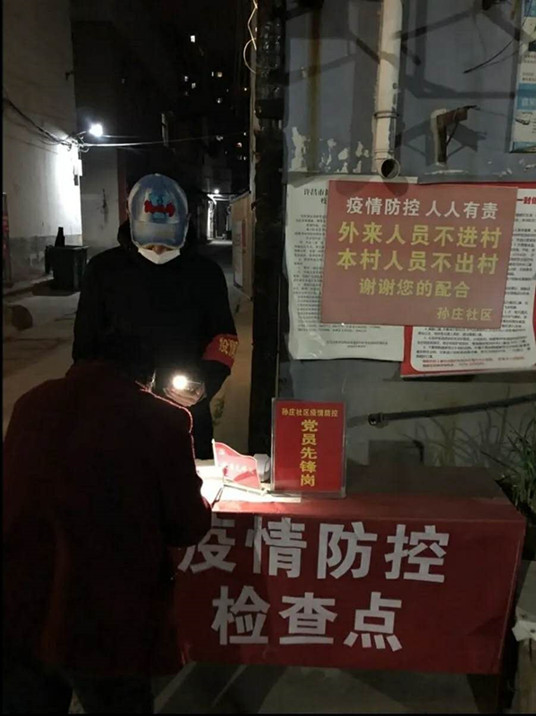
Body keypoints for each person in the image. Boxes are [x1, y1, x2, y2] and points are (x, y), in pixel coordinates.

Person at [2, 339, 212, 713]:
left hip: (22, 604)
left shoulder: (31, 403)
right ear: (147, 377)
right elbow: (187, 525)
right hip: (107, 616)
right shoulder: (163, 419)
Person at [73, 173, 238, 459]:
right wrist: (102, 391)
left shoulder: (205, 274)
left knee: (187, 479)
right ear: (132, 223)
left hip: (186, 412)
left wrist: (205, 383)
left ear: (185, 224)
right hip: (117, 414)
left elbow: (225, 339)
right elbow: (84, 348)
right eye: (151, 244)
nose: (159, 251)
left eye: (167, 243)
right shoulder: (103, 271)